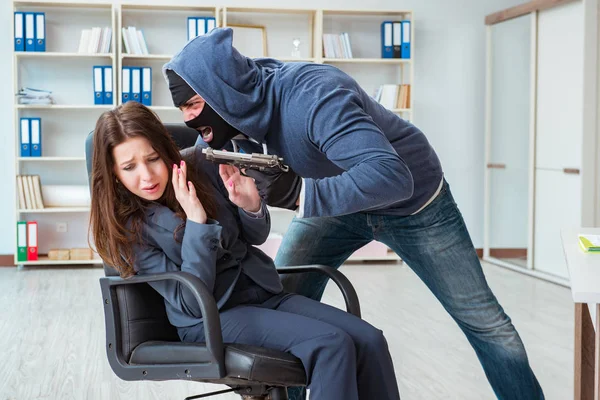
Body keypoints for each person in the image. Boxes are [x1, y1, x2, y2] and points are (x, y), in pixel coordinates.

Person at [162, 27, 545, 400]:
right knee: (279, 304)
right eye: (183, 110)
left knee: (484, 322)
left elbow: (392, 177)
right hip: (335, 206)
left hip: (414, 204)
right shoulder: (236, 113)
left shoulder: (313, 95)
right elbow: (197, 160)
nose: (193, 120)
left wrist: (297, 193)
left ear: (224, 91)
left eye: (195, 105)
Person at [89, 101, 401, 400]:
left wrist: (250, 206)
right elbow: (192, 301)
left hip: (263, 293)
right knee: (331, 346)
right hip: (212, 316)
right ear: (115, 173)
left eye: (153, 158)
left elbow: (253, 236)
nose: (146, 175)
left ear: (165, 151)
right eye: (129, 167)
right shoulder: (129, 229)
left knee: (370, 340)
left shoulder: (200, 165)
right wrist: (197, 222)